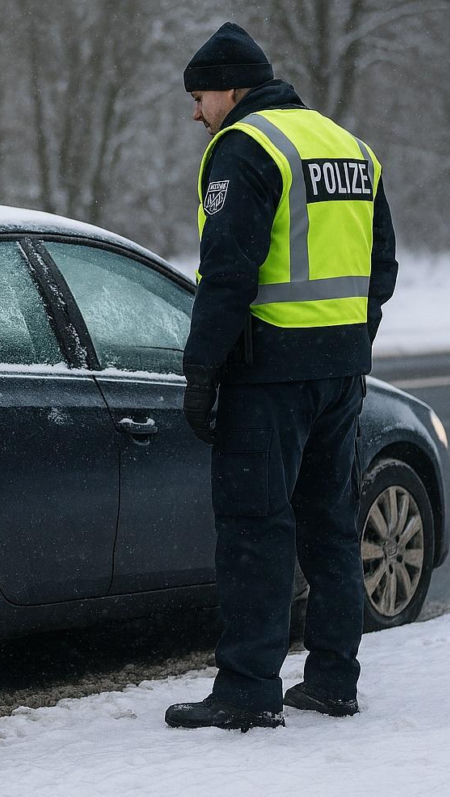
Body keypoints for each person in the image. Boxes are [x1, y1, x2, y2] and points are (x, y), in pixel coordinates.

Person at [165, 22, 397, 730]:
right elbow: (382, 268)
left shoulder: (246, 145)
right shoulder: (348, 146)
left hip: (269, 374)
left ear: (231, 89)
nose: (196, 114)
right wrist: (351, 343)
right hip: (341, 372)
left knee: (253, 528)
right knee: (329, 527)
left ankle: (246, 690)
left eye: (199, 98)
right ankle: (333, 680)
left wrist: (202, 371)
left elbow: (228, 273)